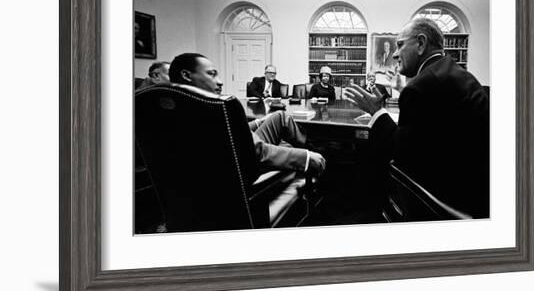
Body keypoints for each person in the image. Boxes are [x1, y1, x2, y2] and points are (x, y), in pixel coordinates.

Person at [344, 18, 489, 218]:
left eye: (400, 45)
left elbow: (401, 153)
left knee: (371, 159)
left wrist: (376, 111)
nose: (395, 54)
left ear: (421, 43)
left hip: (445, 198)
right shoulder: (453, 71)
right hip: (478, 188)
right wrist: (402, 90)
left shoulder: (422, 85)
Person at [168, 53, 326, 175]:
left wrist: (259, 122)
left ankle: (312, 146)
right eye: (212, 74)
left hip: (231, 158)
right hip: (244, 167)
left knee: (278, 116)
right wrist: (305, 157)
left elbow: (230, 132)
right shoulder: (216, 107)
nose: (220, 81)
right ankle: (316, 150)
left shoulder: (176, 107)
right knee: (284, 122)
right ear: (186, 75)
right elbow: (258, 151)